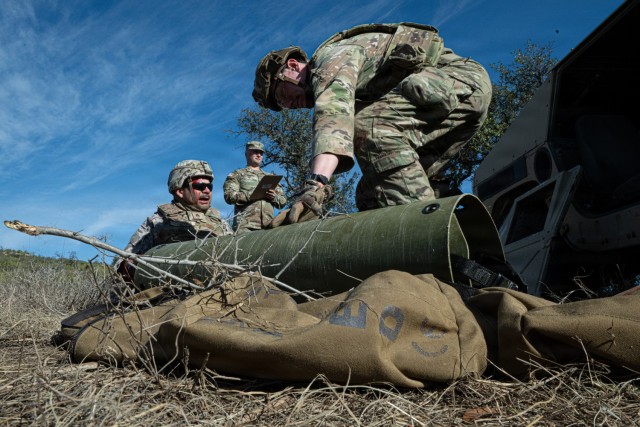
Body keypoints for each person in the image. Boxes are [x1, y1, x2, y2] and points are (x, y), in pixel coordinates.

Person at [253, 22, 491, 220]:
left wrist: (315, 186)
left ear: (292, 67)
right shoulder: (351, 81)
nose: (290, 105)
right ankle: (465, 233)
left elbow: (334, 116)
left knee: (368, 128)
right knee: (371, 194)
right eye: (283, 106)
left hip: (458, 82)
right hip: (447, 102)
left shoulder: (329, 59)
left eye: (283, 96)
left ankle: (424, 233)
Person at [115, 160, 231, 281]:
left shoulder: (220, 223)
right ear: (179, 191)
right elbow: (123, 267)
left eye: (210, 186)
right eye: (200, 186)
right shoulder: (159, 222)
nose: (207, 191)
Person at [223, 141, 287, 232]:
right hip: (245, 226)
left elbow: (283, 201)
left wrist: (274, 197)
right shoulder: (237, 175)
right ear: (247, 153)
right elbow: (229, 196)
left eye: (261, 153)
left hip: (269, 226)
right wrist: (253, 194)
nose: (259, 155)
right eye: (255, 152)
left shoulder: (270, 177)